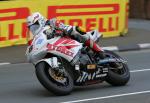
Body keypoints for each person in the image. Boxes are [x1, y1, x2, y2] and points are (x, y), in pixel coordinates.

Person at [26, 12, 106, 59]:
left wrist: (59, 31)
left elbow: (63, 27)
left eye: (35, 26)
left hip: (67, 38)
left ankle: (98, 50)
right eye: (31, 28)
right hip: (57, 46)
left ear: (41, 21)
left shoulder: (51, 22)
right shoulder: (39, 36)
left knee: (75, 30)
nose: (33, 29)